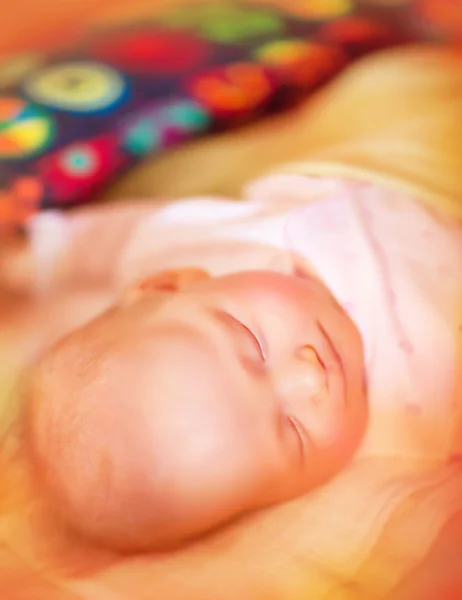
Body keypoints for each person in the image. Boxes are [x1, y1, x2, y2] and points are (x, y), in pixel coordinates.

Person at [0, 45, 461, 598]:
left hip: (387, 150)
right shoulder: (405, 424)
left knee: (401, 83)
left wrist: (29, 266)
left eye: (253, 344)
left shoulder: (191, 247)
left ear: (169, 284)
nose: (310, 379)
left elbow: (88, 245)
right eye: (292, 434)